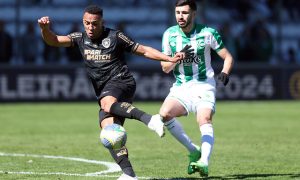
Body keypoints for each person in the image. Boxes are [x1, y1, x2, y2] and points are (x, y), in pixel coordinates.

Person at [37, 4, 191, 180]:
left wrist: (168, 58)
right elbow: (54, 41)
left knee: (106, 103)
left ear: (102, 22)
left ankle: (150, 119)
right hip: (104, 90)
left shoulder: (115, 36)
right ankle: (129, 174)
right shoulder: (79, 38)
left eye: (94, 23)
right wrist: (44, 29)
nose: (90, 27)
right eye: (87, 23)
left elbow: (144, 50)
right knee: (109, 133)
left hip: (122, 81)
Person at [159, 0, 234, 177]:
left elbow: (228, 57)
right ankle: (193, 150)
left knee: (204, 119)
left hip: (203, 86)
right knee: (164, 115)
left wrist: (224, 72)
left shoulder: (208, 33)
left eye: (184, 13)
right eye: (178, 13)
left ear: (194, 14)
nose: (180, 16)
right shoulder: (169, 34)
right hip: (181, 87)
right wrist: (177, 58)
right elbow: (165, 67)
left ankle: (204, 162)